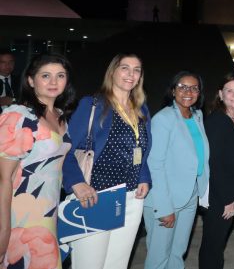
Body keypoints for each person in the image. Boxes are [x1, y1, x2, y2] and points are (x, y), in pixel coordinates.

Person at [63, 53, 152, 269]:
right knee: (90, 264)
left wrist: (144, 176)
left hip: (131, 198)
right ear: (112, 72)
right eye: (125, 68)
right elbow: (65, 149)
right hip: (96, 196)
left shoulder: (141, 108)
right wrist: (77, 182)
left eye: (136, 69)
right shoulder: (92, 105)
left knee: (117, 264)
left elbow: (141, 149)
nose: (131, 74)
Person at [0, 53, 75, 269]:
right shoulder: (20, 116)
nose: (53, 82)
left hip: (48, 211)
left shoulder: (60, 115)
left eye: (60, 75)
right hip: (19, 216)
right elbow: (3, 179)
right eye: (46, 76)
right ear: (31, 81)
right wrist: (4, 231)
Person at [143, 71, 210, 269]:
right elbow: (155, 165)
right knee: (159, 256)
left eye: (194, 88)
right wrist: (164, 207)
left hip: (190, 195)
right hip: (166, 198)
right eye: (182, 87)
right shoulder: (163, 119)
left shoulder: (197, 116)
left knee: (177, 252)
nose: (188, 91)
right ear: (173, 91)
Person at [199, 74, 234, 269]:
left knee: (217, 243)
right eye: (229, 90)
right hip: (220, 195)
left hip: (230, 192)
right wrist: (228, 199)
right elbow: (214, 164)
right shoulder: (217, 121)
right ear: (220, 94)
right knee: (213, 244)